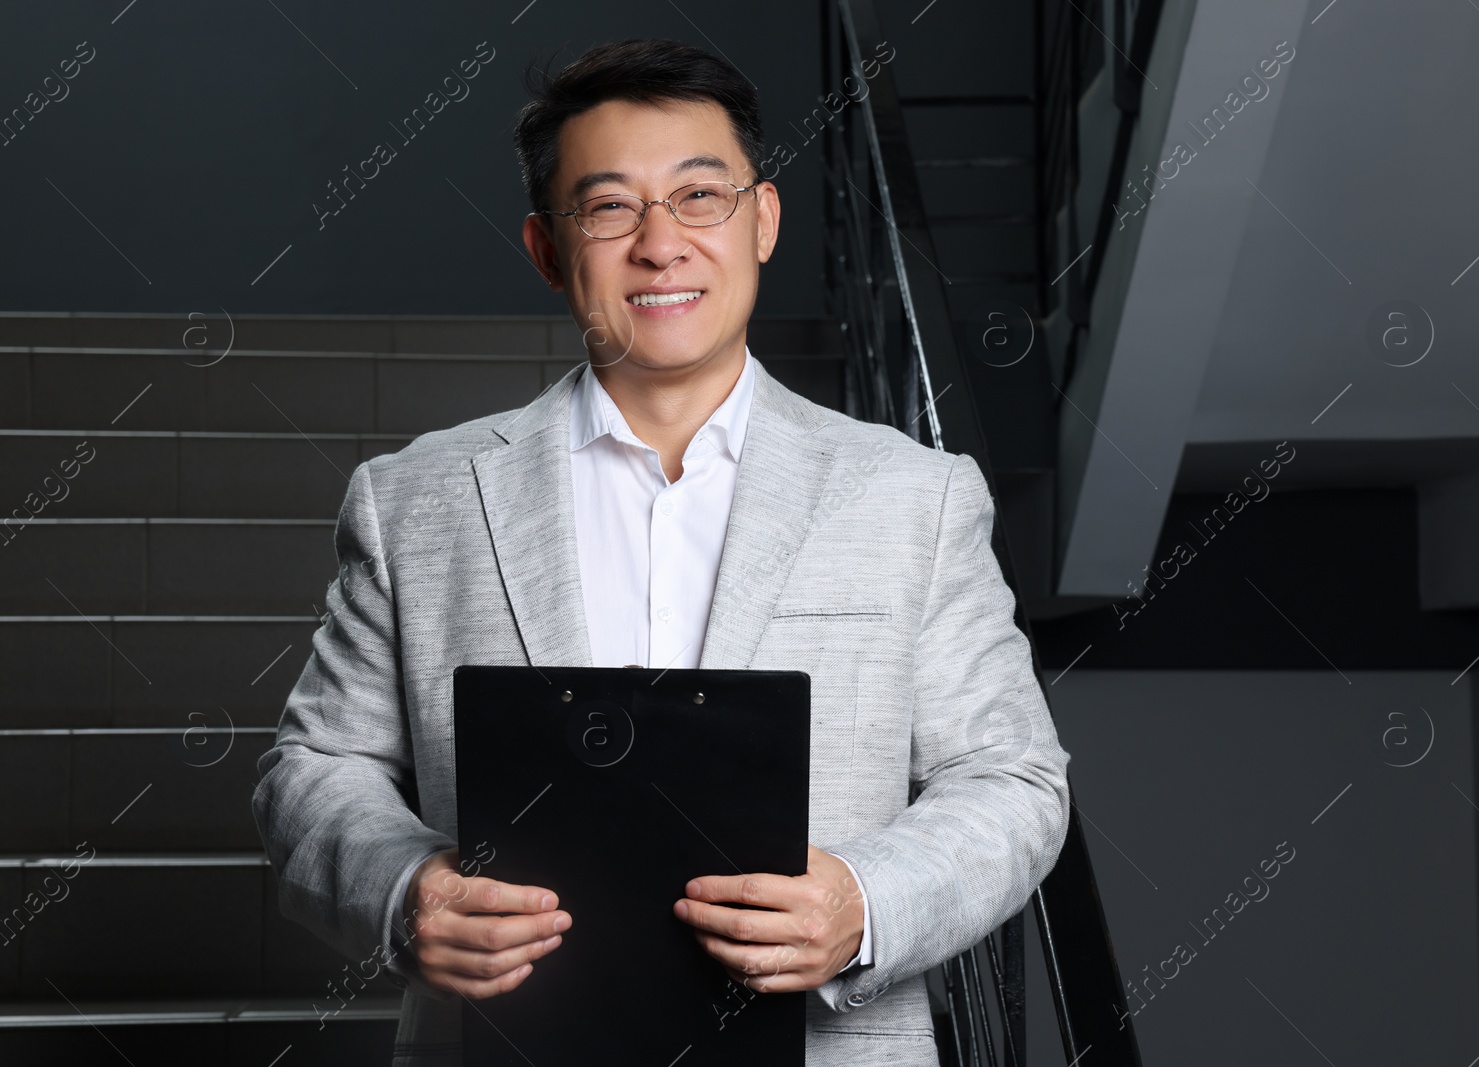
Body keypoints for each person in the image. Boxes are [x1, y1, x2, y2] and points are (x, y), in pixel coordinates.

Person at [253, 37, 1072, 1067]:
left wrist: (863, 903)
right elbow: (314, 767)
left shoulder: (912, 495)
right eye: (607, 207)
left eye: (699, 197)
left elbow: (1012, 776)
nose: (660, 243)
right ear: (548, 249)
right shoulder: (415, 498)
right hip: (504, 1040)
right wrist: (403, 886)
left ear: (762, 221)